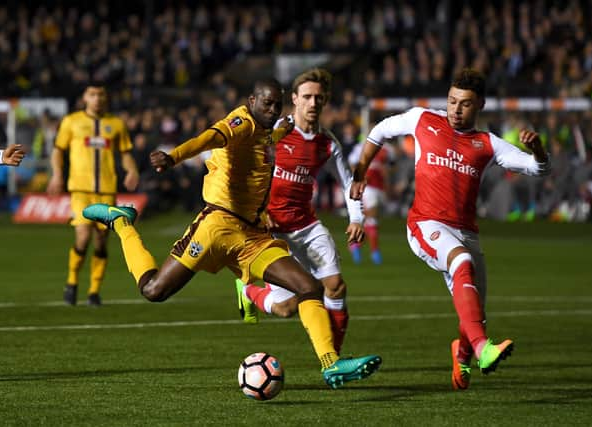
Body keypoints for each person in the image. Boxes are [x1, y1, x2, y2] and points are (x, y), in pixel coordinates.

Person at [82, 78, 381, 389]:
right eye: (266, 103)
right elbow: (208, 138)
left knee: (308, 286)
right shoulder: (241, 122)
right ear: (252, 100)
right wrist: (174, 157)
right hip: (217, 227)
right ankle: (123, 224)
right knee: (154, 291)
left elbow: (279, 135)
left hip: (253, 235)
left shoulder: (271, 130)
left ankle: (330, 364)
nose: (272, 109)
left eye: (276, 104)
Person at [350, 68, 550, 390]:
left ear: (480, 105)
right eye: (452, 101)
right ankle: (484, 349)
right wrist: (361, 169)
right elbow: (380, 130)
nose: (456, 109)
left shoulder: (488, 144)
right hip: (424, 224)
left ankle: (463, 357)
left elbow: (538, 169)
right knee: (461, 263)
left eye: (465, 104)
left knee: (474, 313)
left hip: (466, 232)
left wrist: (538, 150)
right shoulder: (423, 119)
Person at [234, 68, 365, 355]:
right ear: (294, 99)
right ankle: (247, 292)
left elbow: (348, 183)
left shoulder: (327, 143)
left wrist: (357, 218)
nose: (313, 103)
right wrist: (258, 209)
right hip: (273, 232)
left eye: (319, 97)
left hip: (307, 227)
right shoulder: (274, 132)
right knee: (285, 308)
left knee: (335, 287)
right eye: (307, 96)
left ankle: (334, 362)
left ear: (325, 100)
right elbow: (247, 171)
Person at [46, 83, 139, 306]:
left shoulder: (116, 124)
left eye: (100, 95)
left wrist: (132, 169)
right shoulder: (71, 122)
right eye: (92, 94)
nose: (97, 98)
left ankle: (94, 291)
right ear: (84, 98)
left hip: (107, 190)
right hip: (80, 189)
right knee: (83, 236)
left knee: (100, 241)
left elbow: (125, 153)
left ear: (106, 98)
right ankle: (71, 282)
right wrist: (57, 175)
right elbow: (58, 150)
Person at [348, 141, 392, 264]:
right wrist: (358, 179)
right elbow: (352, 162)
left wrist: (387, 179)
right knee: (371, 217)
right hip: (368, 186)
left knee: (370, 219)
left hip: (380, 187)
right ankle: (374, 251)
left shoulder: (387, 149)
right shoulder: (361, 146)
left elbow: (391, 166)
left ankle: (356, 245)